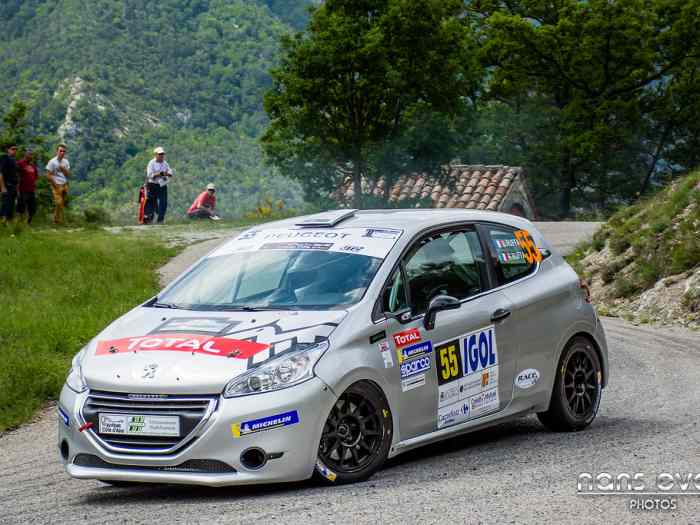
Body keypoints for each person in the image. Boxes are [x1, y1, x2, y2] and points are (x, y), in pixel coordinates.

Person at [144, 146, 172, 224]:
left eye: (162, 154)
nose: (162, 155)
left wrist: (169, 174)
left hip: (162, 185)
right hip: (152, 185)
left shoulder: (165, 163)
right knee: (152, 202)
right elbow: (150, 175)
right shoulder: (151, 163)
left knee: (164, 202)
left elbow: (169, 171)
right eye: (160, 154)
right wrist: (161, 173)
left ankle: (160, 219)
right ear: (155, 154)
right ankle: (149, 219)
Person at [46, 144, 70, 224]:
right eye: (60, 151)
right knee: (59, 202)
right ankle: (56, 220)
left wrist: (63, 169)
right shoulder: (52, 162)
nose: (62, 152)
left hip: (64, 184)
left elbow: (68, 174)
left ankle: (59, 220)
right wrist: (55, 185)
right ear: (57, 151)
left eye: (64, 151)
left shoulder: (66, 161)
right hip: (56, 184)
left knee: (62, 203)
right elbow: (48, 175)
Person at [16, 149, 39, 224]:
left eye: (32, 155)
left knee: (32, 208)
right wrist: (17, 189)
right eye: (29, 154)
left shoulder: (32, 166)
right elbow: (16, 176)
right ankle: (19, 223)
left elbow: (35, 178)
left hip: (31, 190)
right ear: (25, 155)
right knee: (21, 208)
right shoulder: (20, 163)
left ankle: (28, 223)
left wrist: (35, 189)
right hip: (22, 189)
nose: (31, 156)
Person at [0, 144, 19, 224]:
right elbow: (0, 173)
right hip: (7, 185)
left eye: (15, 149)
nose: (14, 151)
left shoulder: (13, 160)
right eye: (12, 149)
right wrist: (3, 187)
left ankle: (8, 222)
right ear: (8, 150)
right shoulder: (5, 158)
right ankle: (3, 221)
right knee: (6, 204)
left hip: (13, 186)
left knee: (11, 205)